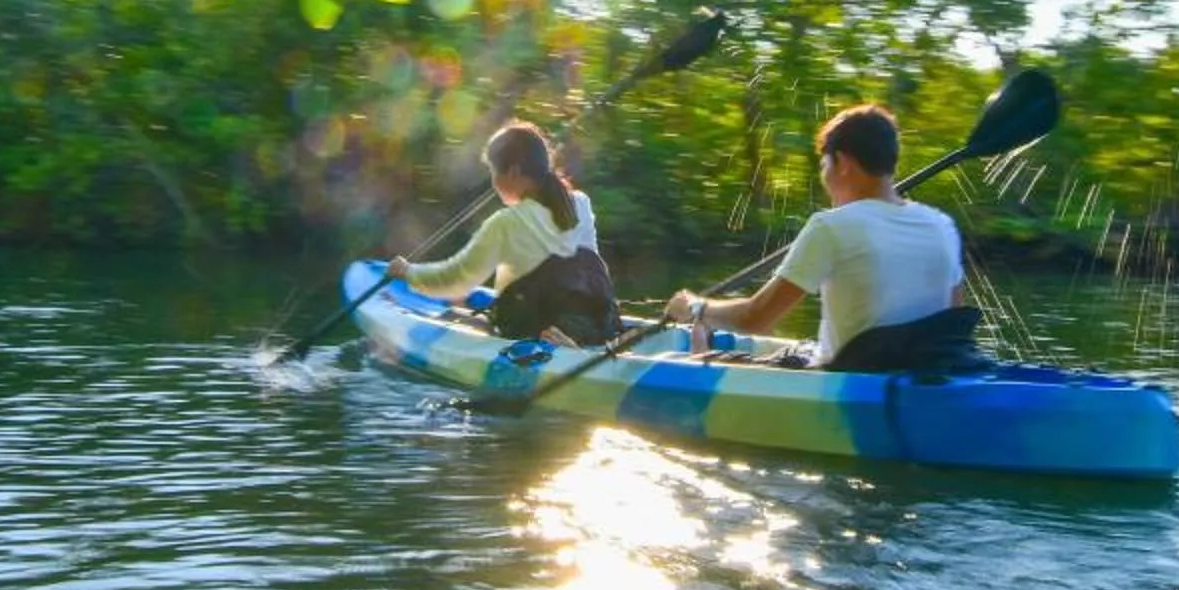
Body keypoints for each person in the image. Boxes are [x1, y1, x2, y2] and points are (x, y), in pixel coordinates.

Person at [662, 103, 984, 374]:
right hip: (931, 376)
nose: (824, 178)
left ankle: (698, 348)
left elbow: (755, 318)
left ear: (842, 163)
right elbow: (949, 323)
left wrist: (697, 307)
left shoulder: (830, 227)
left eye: (824, 165)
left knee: (714, 348)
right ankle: (700, 344)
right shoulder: (942, 225)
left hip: (849, 382)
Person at [389, 122, 618, 346]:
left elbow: (456, 279)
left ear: (513, 171)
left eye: (492, 170)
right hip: (601, 319)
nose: (492, 181)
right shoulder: (581, 203)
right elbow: (590, 269)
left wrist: (409, 272)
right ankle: (581, 335)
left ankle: (561, 338)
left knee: (455, 316)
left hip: (538, 329)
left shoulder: (505, 223)